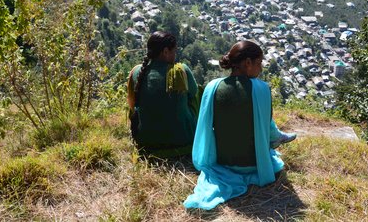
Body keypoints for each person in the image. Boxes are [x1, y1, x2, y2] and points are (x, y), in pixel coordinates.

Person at [184, 40, 296, 210]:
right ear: (248, 63)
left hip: (223, 163)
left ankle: (277, 136)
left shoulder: (212, 87)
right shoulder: (261, 88)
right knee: (265, 123)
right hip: (254, 165)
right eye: (259, 63)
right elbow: (264, 125)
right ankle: (277, 136)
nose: (261, 68)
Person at [127, 31, 199, 157]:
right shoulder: (181, 70)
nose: (175, 55)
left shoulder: (137, 72)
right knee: (199, 93)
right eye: (174, 51)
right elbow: (194, 94)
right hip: (183, 141)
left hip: (147, 143)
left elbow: (132, 105)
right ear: (165, 51)